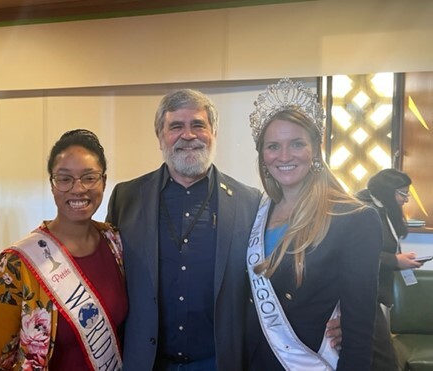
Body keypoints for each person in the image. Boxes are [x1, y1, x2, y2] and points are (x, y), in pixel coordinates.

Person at [106, 88, 342, 371]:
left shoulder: (250, 202)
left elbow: (285, 270)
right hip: (147, 362)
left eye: (198, 125)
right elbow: (111, 277)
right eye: (176, 126)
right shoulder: (126, 197)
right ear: (160, 136)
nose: (188, 135)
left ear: (213, 133)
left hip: (221, 361)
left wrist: (341, 317)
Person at [245, 78, 382, 370]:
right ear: (263, 156)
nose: (284, 156)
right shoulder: (254, 211)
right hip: (255, 360)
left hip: (313, 361)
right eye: (273, 146)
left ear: (315, 150)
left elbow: (359, 332)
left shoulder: (354, 219)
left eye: (296, 144)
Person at [0, 129, 127, 371]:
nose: (78, 189)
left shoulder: (114, 242)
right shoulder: (16, 265)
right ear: (52, 185)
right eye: (64, 178)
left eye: (89, 177)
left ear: (104, 182)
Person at [356, 169, 423, 371]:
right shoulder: (363, 212)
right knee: (384, 358)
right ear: (387, 191)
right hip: (359, 294)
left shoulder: (381, 209)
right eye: (402, 193)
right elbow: (357, 255)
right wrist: (395, 261)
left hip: (372, 293)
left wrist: (399, 260)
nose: (406, 199)